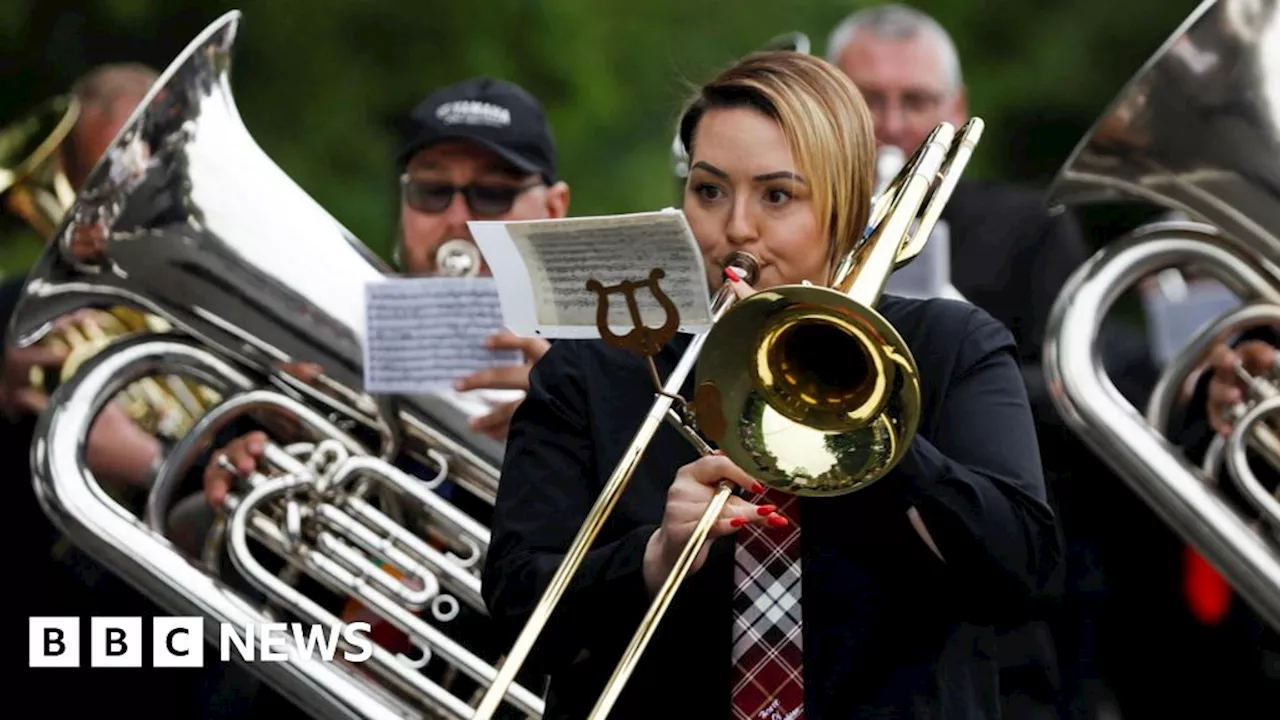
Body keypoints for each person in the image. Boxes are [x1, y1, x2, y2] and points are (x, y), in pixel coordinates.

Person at [482, 50, 1061, 719]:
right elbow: (517, 612)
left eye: (778, 196)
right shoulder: (596, 366)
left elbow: (1027, 575)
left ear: (845, 206)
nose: (735, 228)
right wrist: (655, 553)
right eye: (709, 190)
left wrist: (881, 433)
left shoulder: (950, 347)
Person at [183, 76, 568, 719]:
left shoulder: (614, 373)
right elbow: (182, 552)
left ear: (553, 210)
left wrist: (579, 419)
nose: (457, 219)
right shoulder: (324, 353)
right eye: (431, 189)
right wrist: (246, 486)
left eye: (494, 194)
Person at [826, 6, 1164, 718]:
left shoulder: (1026, 226)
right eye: (867, 99)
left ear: (956, 111)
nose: (891, 125)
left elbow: (1086, 392)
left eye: (914, 102)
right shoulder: (802, 225)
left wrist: (967, 354)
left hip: (1006, 591)